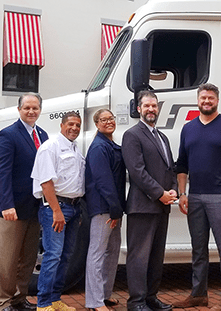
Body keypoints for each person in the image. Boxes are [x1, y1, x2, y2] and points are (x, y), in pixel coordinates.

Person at [175, 83, 221, 311]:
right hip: (194, 197)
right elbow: (182, 163)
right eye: (203, 98)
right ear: (198, 100)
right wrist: (182, 193)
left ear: (217, 100)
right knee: (198, 249)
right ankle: (198, 295)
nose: (206, 101)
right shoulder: (188, 128)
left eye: (211, 98)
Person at [0, 93, 48, 311]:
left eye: (35, 108)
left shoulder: (42, 135)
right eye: (27, 108)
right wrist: (6, 205)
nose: (31, 111)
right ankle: (1, 303)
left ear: (40, 110)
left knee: (27, 259)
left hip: (33, 208)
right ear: (19, 109)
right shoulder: (8, 135)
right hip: (9, 209)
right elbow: (1, 173)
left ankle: (19, 299)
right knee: (6, 259)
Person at [121, 90, 177, 311]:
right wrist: (160, 194)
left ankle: (151, 297)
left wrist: (172, 190)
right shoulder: (132, 135)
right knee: (139, 257)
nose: (151, 109)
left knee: (155, 257)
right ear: (138, 109)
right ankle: (136, 301)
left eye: (154, 106)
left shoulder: (162, 137)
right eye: (147, 106)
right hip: (142, 206)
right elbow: (137, 171)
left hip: (162, 207)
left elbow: (169, 168)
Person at [31, 111, 85, 311]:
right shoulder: (50, 147)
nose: (74, 128)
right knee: (53, 255)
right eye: (70, 124)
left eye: (78, 125)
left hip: (73, 207)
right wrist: (56, 211)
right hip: (56, 207)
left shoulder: (76, 149)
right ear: (61, 126)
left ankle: (55, 299)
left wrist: (75, 210)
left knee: (66, 256)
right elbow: (46, 183)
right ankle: (43, 303)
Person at [85, 109, 126, 311]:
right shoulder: (99, 147)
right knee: (98, 253)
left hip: (113, 208)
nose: (108, 122)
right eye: (104, 120)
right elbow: (103, 181)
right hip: (104, 209)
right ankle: (94, 301)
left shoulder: (110, 145)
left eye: (111, 118)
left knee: (111, 252)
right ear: (97, 124)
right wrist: (114, 207)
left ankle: (104, 295)